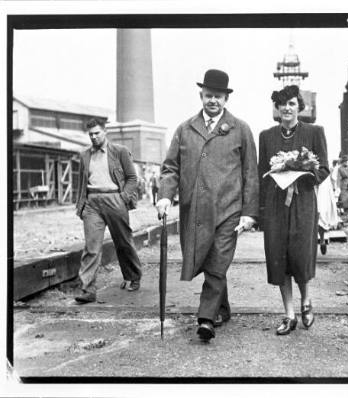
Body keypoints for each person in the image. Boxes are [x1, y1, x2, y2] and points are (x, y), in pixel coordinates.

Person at [156, 69, 258, 343]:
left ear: (226, 99)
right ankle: (221, 308)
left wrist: (249, 212)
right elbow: (170, 167)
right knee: (209, 260)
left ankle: (205, 319)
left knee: (217, 261)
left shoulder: (241, 129)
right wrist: (165, 195)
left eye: (218, 96)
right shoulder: (185, 128)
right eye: (209, 95)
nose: (213, 100)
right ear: (201, 95)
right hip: (196, 210)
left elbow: (250, 173)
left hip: (228, 209)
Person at [259, 85, 329, 335]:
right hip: (276, 204)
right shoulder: (266, 136)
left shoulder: (314, 132)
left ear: (300, 106)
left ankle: (306, 301)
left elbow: (324, 169)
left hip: (303, 202)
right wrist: (261, 211)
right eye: (282, 104)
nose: (286, 108)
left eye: (291, 103)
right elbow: (261, 174)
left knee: (300, 255)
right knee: (279, 256)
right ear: (276, 109)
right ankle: (289, 314)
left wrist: (305, 172)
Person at [74, 118, 142, 304]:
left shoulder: (119, 151)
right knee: (91, 247)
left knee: (123, 242)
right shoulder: (84, 155)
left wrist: (122, 198)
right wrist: (81, 205)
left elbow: (132, 179)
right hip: (92, 202)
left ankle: (133, 276)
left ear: (105, 132)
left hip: (114, 199)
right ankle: (87, 290)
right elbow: (81, 182)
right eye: (91, 134)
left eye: (97, 133)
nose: (94, 137)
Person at [317, 159, 340, 254]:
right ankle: (321, 240)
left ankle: (321, 240)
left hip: (321, 184)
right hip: (319, 183)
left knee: (320, 212)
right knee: (320, 212)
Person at [337, 154, 348, 220]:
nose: (346, 162)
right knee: (344, 201)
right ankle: (346, 215)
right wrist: (337, 187)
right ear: (343, 162)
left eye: (347, 161)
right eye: (345, 161)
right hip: (343, 185)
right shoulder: (340, 169)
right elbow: (338, 178)